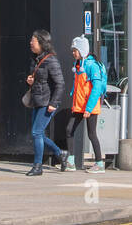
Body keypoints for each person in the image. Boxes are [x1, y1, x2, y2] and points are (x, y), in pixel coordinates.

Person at [24, 29, 65, 176]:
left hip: (47, 102)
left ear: (41, 42)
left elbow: (60, 84)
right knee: (38, 133)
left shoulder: (51, 60)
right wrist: (31, 81)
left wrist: (54, 103)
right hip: (37, 100)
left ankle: (38, 166)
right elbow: (39, 80)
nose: (30, 43)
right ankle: (60, 153)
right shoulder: (34, 59)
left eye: (33, 40)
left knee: (36, 132)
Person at [65, 36, 107, 173]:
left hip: (89, 106)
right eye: (73, 50)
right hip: (79, 106)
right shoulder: (79, 65)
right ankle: (71, 161)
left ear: (82, 50)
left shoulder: (92, 65)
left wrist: (88, 108)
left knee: (91, 134)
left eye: (75, 50)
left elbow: (96, 88)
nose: (73, 53)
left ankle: (99, 163)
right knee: (69, 130)